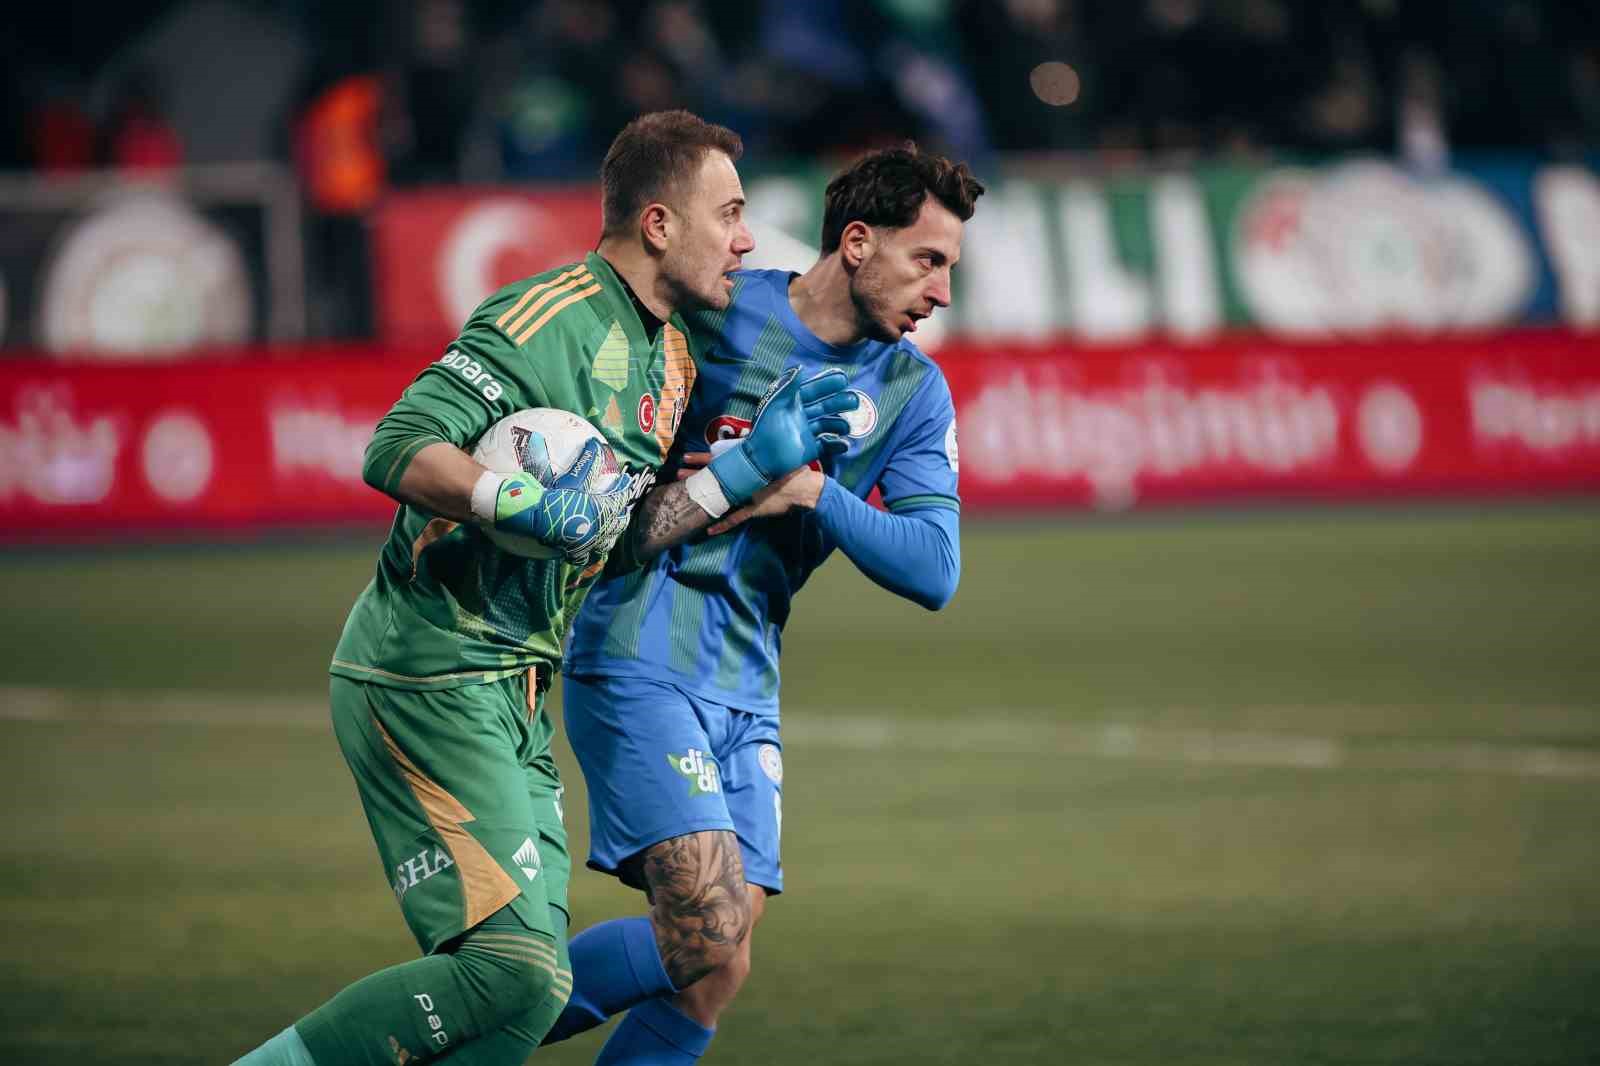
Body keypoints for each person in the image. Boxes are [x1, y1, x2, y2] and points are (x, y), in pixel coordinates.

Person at [231, 110, 857, 1066]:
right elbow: (397, 447)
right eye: (727, 212)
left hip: (518, 689)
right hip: (430, 668)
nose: (743, 238)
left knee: (532, 992)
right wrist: (509, 494)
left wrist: (740, 476)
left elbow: (622, 534)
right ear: (657, 223)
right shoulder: (546, 317)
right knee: (514, 972)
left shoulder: (674, 356)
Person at [547, 144, 984, 1065]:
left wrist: (811, 492)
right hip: (638, 640)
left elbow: (936, 570)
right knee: (705, 926)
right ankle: (447, 1019)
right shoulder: (719, 309)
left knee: (716, 965)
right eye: (928, 260)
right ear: (857, 243)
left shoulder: (912, 393)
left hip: (746, 678)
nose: (941, 292)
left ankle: (469, 1008)